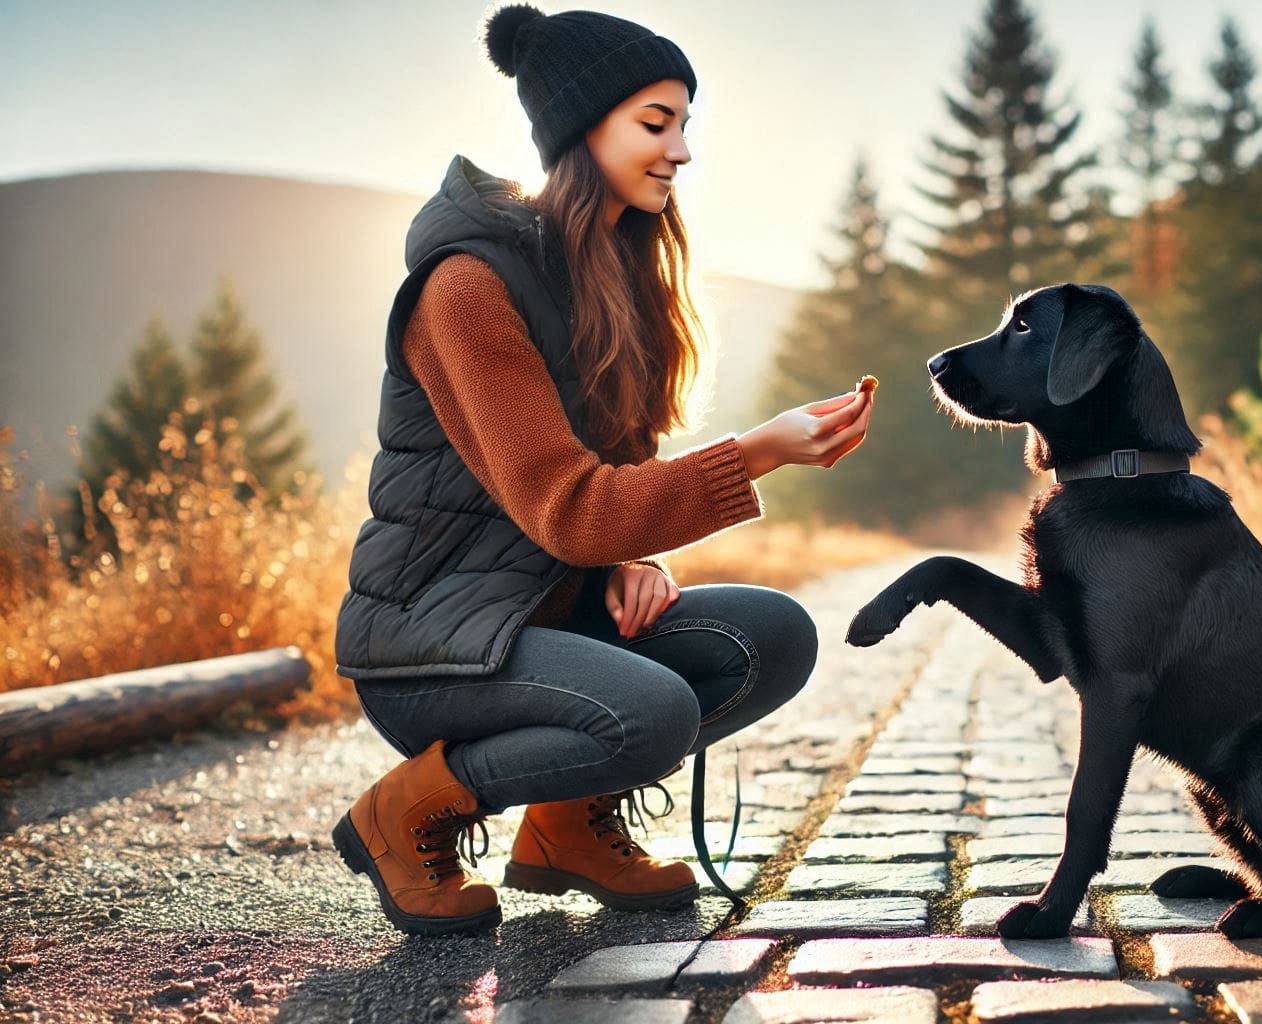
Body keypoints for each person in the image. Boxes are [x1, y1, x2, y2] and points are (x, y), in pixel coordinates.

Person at [329, 4, 875, 936]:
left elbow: (608, 501)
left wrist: (631, 559)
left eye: (684, 123)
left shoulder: (611, 282)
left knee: (773, 636)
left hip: (544, 622)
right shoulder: (468, 288)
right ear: (585, 130)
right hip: (432, 650)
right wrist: (759, 454)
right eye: (655, 123)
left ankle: (566, 827)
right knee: (653, 714)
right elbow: (571, 509)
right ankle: (409, 806)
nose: (682, 150)